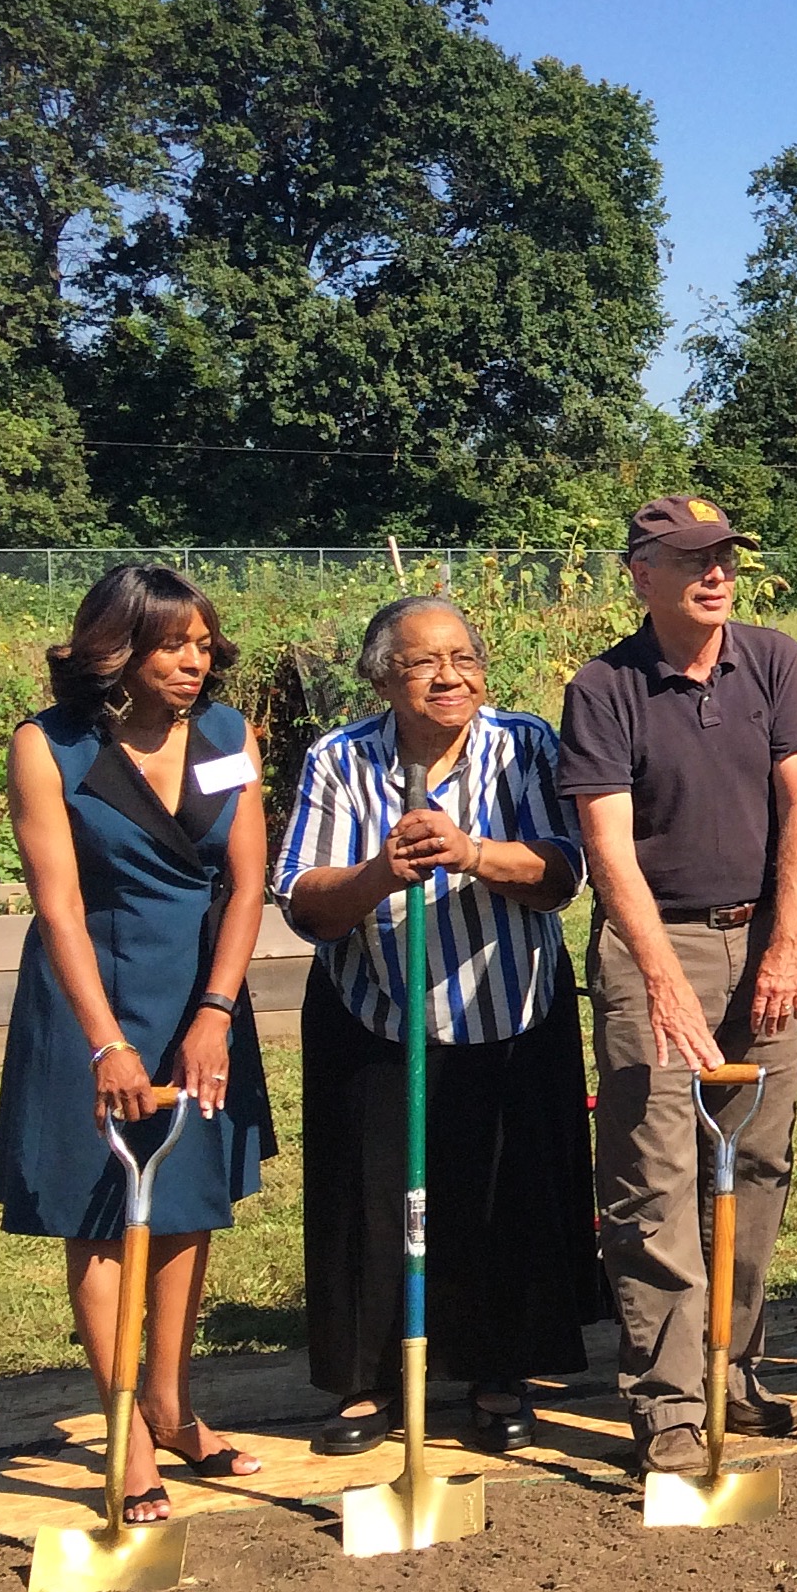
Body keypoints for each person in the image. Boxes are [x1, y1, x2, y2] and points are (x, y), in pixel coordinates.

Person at [275, 595, 597, 1456]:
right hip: (377, 1007)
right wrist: (379, 874)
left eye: (463, 658)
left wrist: (473, 854)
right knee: (371, 1199)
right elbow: (303, 899)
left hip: (510, 1002)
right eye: (423, 663)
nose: (449, 677)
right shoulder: (340, 759)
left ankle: (502, 1371)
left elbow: (564, 871)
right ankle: (368, 1381)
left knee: (505, 1191)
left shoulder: (524, 743)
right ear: (382, 676)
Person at [0, 564, 271, 1522]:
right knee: (101, 1214)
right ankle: (126, 1431)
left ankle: (173, 1402)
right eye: (171, 645)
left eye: (202, 644)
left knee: (187, 1203)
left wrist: (215, 1013)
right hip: (90, 1001)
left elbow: (245, 883)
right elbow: (58, 904)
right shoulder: (49, 746)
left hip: (202, 999)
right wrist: (106, 1043)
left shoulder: (231, 738)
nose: (194, 663)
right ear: (117, 648)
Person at [558, 495, 797, 1478]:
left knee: (755, 1170)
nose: (715, 573)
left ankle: (733, 1371)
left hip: (761, 938)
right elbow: (607, 847)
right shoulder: (604, 688)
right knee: (656, 1180)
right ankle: (670, 1405)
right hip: (648, 947)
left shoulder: (775, 661)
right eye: (691, 559)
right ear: (641, 574)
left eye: (724, 556)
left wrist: (789, 942)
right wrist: (662, 983)